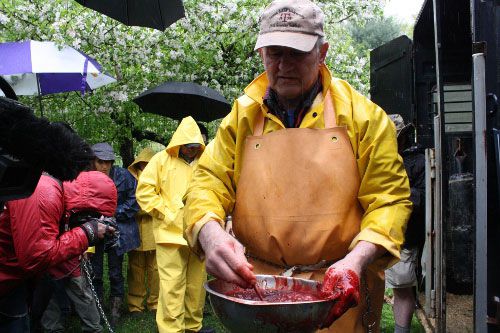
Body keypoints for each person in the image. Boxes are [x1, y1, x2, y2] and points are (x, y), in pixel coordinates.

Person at [183, 0, 412, 332]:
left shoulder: (364, 118)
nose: (284, 64)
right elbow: (207, 182)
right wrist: (210, 233)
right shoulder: (242, 117)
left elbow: (389, 201)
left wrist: (356, 260)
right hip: (259, 289)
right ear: (261, 54)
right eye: (275, 53)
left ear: (322, 53)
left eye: (297, 52)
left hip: (340, 290)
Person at [0, 171, 116, 333]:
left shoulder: (60, 197)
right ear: (86, 206)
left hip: (13, 279)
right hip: (6, 280)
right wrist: (87, 232)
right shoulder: (45, 194)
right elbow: (35, 258)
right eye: (95, 216)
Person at [136, 116, 213, 333]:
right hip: (169, 236)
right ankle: (171, 330)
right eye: (187, 146)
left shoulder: (206, 161)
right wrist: (167, 213)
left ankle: (193, 327)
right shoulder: (161, 160)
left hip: (199, 234)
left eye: (195, 146)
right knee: (172, 287)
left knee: (196, 286)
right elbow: (145, 191)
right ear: (179, 144)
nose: (191, 150)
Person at [40, 170, 119, 333]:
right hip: (51, 255)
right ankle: (54, 328)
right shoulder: (53, 198)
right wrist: (86, 236)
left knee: (81, 290)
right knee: (50, 293)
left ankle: (92, 328)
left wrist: (85, 244)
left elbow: (83, 226)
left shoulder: (70, 198)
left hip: (68, 252)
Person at [90, 142, 140, 326]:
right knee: (94, 271)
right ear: (93, 161)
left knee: (115, 272)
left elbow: (136, 199)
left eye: (108, 161)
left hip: (116, 231)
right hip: (92, 231)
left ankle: (115, 308)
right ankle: (96, 308)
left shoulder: (124, 176)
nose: (104, 166)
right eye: (100, 161)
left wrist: (114, 214)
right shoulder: (86, 177)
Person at [385, 114, 425, 333]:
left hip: (405, 237)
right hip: (377, 234)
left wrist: (394, 194)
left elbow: (423, 198)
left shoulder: (417, 161)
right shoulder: (380, 159)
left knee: (401, 287)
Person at [127, 147, 160, 314]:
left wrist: (146, 207)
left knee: (155, 270)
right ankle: (135, 305)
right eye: (143, 164)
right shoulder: (130, 180)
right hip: (135, 232)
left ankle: (155, 303)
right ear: (138, 164)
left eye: (149, 164)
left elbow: (159, 204)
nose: (145, 167)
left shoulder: (159, 179)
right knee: (136, 270)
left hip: (154, 232)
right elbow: (131, 205)